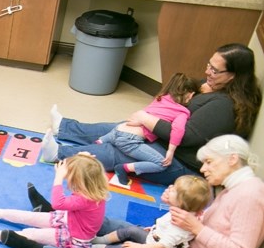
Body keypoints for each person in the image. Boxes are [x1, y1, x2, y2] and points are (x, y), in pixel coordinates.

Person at [4, 134, 264, 248]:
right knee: (111, 224)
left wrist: (196, 227)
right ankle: (53, 212)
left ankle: (35, 247)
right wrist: (188, 221)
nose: (204, 169)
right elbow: (211, 224)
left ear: (232, 160)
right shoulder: (235, 188)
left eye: (209, 163)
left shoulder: (250, 195)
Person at [49, 43, 262, 185]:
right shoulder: (213, 87)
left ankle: (59, 153)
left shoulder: (222, 106)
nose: (208, 72)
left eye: (215, 71)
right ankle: (65, 128)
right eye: (209, 65)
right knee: (120, 128)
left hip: (180, 162)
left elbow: (186, 137)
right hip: (167, 142)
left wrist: (146, 119)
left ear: (233, 76)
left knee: (119, 150)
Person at [42, 73, 199, 188]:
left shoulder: (161, 98)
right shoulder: (182, 112)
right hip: (133, 137)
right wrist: (170, 150)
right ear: (190, 95)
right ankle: (63, 133)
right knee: (158, 161)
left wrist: (144, 119)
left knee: (114, 144)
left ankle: (62, 149)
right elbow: (177, 131)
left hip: (122, 132)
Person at [0, 154, 109, 248]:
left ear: (80, 181)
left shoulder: (84, 198)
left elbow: (57, 204)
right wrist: (82, 158)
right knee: (29, 217)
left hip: (73, 237)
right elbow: (87, 170)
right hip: (69, 221)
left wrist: (58, 178)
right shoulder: (93, 188)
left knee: (31, 234)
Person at [92, 175, 211, 248]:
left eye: (174, 189)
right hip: (154, 238)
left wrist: (139, 247)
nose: (170, 188)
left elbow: (163, 246)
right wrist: (155, 229)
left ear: (181, 201)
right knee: (131, 230)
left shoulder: (179, 227)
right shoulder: (181, 211)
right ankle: (101, 240)